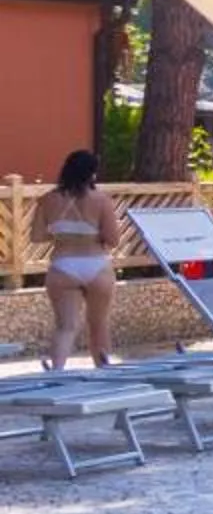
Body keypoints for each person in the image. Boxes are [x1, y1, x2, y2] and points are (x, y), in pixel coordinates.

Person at [36, 148, 122, 371]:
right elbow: (113, 239)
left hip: (63, 265)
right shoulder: (101, 200)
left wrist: (62, 233)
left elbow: (37, 237)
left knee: (66, 326)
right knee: (98, 323)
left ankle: (56, 372)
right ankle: (104, 372)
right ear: (91, 174)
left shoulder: (47, 199)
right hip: (97, 264)